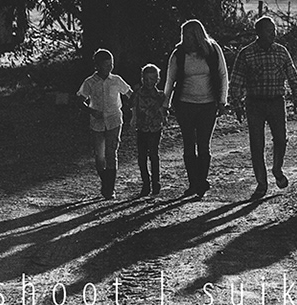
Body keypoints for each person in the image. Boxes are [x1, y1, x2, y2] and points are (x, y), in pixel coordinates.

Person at [230, 15, 297, 197]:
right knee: (257, 144)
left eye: (274, 31)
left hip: (276, 101)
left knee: (281, 139)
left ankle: (277, 169)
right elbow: (236, 81)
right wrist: (237, 105)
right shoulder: (246, 53)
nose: (272, 34)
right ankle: (261, 183)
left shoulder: (281, 52)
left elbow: (292, 75)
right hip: (254, 103)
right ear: (258, 33)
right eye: (268, 31)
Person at [165, 19, 229, 197]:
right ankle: (194, 183)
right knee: (188, 144)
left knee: (203, 145)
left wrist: (222, 101)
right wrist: (166, 104)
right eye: (184, 36)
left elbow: (223, 75)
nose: (186, 39)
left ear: (197, 36)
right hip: (185, 105)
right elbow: (170, 80)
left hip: (208, 104)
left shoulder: (213, 50)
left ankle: (201, 182)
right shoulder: (178, 54)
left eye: (189, 36)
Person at [76, 49, 131, 200]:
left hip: (114, 120)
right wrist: (91, 111)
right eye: (106, 65)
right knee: (100, 156)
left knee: (111, 153)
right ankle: (105, 182)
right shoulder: (90, 82)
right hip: (97, 123)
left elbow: (129, 93)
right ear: (98, 66)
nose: (109, 68)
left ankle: (110, 188)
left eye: (111, 64)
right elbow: (80, 99)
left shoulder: (117, 80)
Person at [132, 61, 169, 196]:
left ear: (157, 80)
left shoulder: (160, 95)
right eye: (146, 79)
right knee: (142, 156)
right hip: (142, 127)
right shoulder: (138, 93)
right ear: (142, 78)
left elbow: (163, 110)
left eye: (152, 79)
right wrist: (133, 119)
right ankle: (145, 183)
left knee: (153, 154)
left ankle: (156, 182)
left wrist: (164, 117)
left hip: (155, 128)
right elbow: (134, 107)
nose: (149, 82)